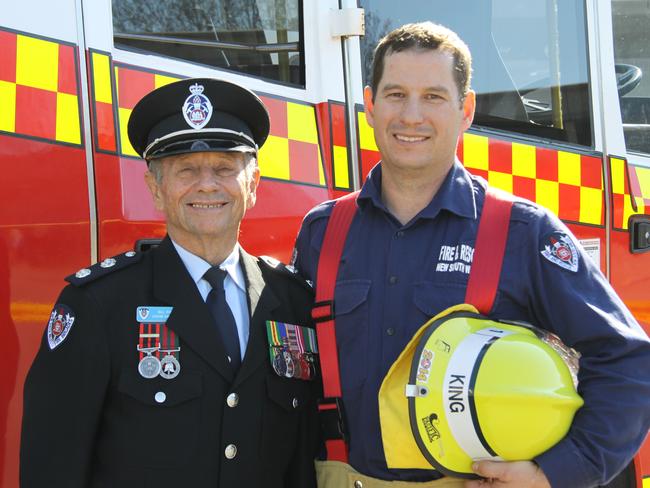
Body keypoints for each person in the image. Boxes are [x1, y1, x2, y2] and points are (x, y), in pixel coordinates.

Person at [292, 22, 650, 488]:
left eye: (435, 96)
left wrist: (554, 475)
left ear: (466, 109)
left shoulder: (522, 232)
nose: (412, 115)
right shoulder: (323, 232)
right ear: (370, 105)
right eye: (396, 94)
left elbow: (626, 361)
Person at [20, 78, 319, 488]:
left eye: (225, 168)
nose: (208, 184)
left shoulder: (291, 302)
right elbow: (52, 467)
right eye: (187, 170)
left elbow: (301, 464)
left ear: (253, 185)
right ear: (155, 189)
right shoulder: (97, 305)